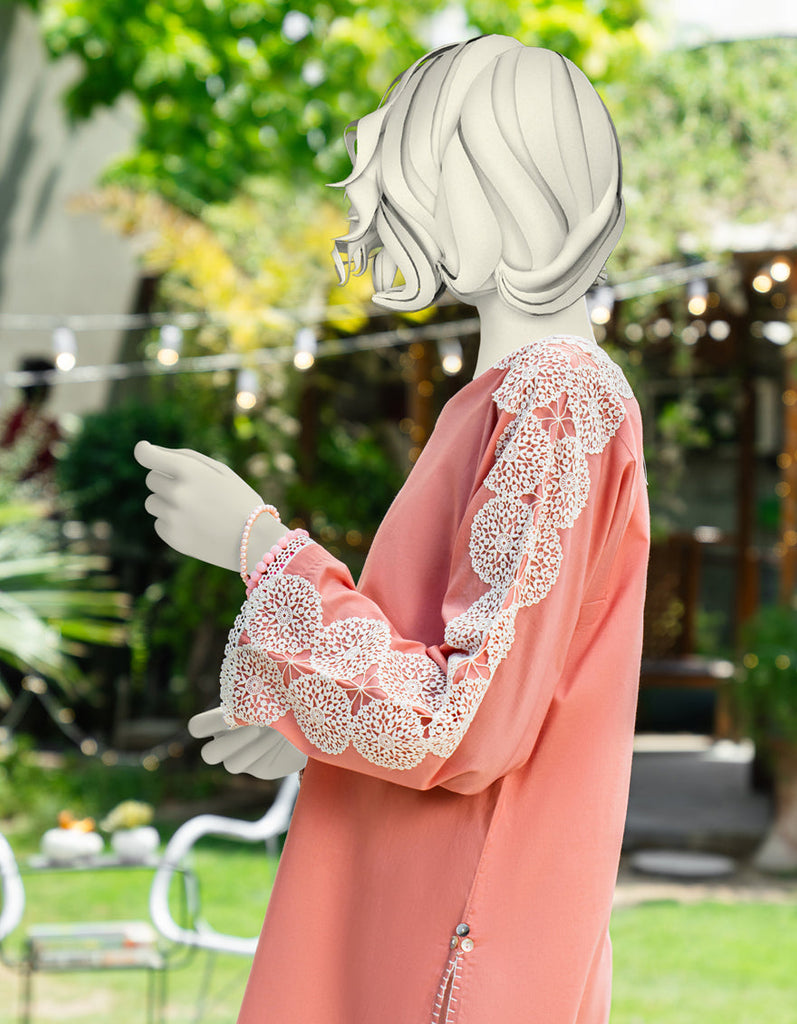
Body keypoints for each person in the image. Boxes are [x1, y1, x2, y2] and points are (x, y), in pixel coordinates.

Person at [135, 36, 649, 1024]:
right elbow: (457, 677)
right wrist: (311, 724)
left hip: (455, 935)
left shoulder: (554, 398)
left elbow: (464, 721)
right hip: (417, 904)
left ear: (501, 179)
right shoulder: (502, 400)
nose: (391, 209)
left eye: (420, 172)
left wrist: (259, 545)